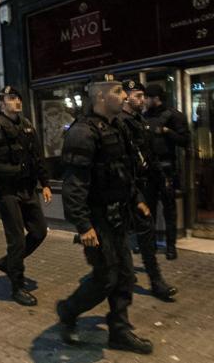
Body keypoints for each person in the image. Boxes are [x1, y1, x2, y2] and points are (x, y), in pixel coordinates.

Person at [57, 76, 153, 354]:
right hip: (97, 220)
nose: (125, 95)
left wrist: (137, 199)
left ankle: (119, 331)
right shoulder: (82, 132)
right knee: (106, 278)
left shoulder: (118, 126)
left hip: (118, 216)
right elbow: (74, 186)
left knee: (125, 276)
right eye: (118, 91)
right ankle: (68, 310)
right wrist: (84, 225)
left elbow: (124, 171)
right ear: (100, 97)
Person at [0, 86, 52, 306]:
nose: (17, 101)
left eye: (18, 98)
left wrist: (45, 183)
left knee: (39, 232)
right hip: (6, 191)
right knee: (17, 239)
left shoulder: (27, 125)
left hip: (27, 189)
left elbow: (37, 156)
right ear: (2, 103)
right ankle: (17, 286)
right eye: (11, 98)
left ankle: (8, 262)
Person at [118, 80, 177, 301]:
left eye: (143, 96)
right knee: (125, 233)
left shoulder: (139, 121)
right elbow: (121, 164)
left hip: (142, 186)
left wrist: (162, 180)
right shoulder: (120, 123)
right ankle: (138, 277)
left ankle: (154, 281)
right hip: (126, 189)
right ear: (125, 97)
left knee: (142, 231)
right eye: (137, 96)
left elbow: (149, 157)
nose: (142, 101)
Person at [144, 84, 190, 260]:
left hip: (166, 169)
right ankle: (151, 244)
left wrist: (166, 131)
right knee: (149, 210)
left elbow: (185, 140)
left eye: (147, 97)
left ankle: (171, 246)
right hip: (149, 170)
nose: (144, 101)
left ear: (155, 98)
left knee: (169, 210)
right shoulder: (144, 116)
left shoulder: (173, 116)